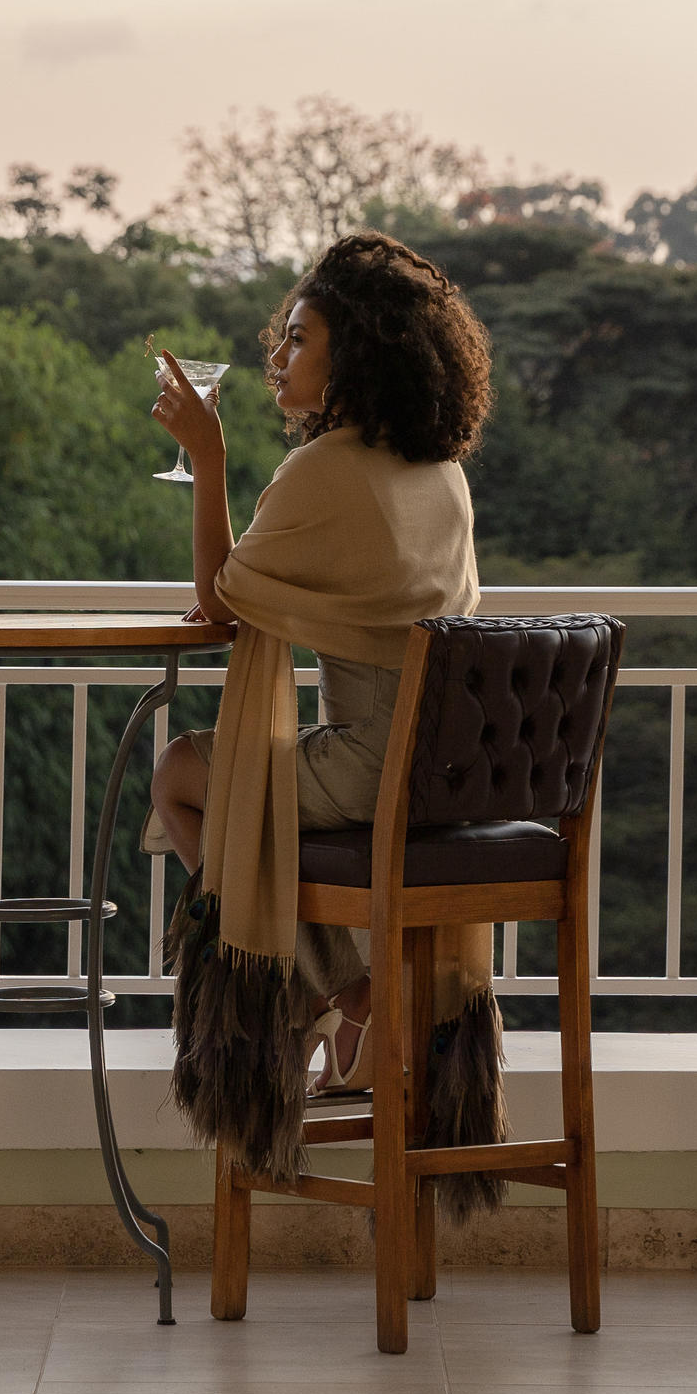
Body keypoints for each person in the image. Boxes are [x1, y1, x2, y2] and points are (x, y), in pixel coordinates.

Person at [142, 231, 490, 1099]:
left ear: (356, 357)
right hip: (450, 774)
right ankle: (354, 995)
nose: (280, 356)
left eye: (301, 338)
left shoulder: (325, 470)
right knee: (238, 794)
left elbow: (223, 600)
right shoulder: (438, 468)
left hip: (375, 764)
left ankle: (336, 992)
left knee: (184, 773)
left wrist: (209, 455)